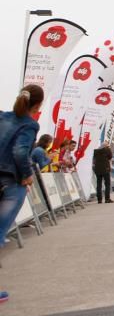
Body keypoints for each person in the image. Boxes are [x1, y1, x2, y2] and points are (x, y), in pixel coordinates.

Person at [0, 84, 44, 304]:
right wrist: (27, 175)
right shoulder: (30, 125)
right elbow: (19, 151)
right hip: (10, 181)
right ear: (37, 105)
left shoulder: (2, 117)